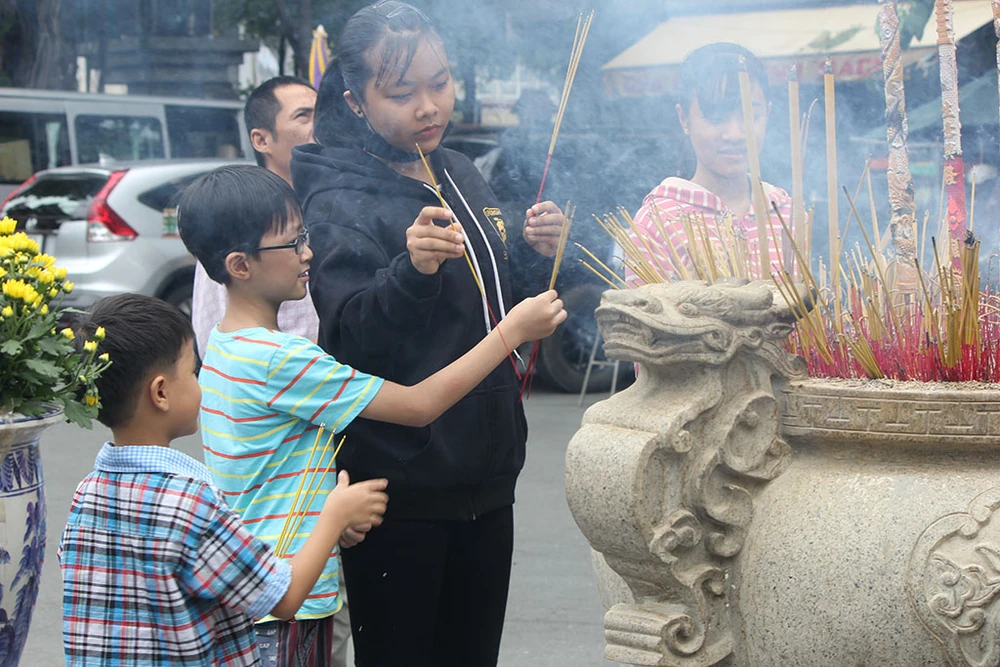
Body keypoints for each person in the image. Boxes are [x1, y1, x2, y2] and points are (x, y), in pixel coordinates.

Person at [176, 164, 566, 666]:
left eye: (305, 237)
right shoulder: (283, 361)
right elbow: (419, 404)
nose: (308, 253)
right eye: (291, 245)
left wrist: (329, 513)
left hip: (256, 589)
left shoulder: (225, 349)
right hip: (285, 603)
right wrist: (510, 333)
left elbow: (267, 472)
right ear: (240, 264)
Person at [290, 3, 566, 665]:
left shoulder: (459, 170)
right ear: (355, 101)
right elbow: (351, 339)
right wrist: (410, 269)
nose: (427, 106)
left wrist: (533, 251)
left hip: (488, 472)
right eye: (402, 92)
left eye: (439, 83)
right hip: (399, 488)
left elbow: (486, 303)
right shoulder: (339, 198)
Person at [59, 292, 389, 666]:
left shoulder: (86, 495)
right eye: (192, 371)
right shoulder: (191, 503)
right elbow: (282, 598)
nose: (200, 382)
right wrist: (335, 516)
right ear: (161, 392)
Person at [628, 43, 792, 284]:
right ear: (684, 118)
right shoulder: (657, 223)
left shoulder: (786, 210)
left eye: (750, 116)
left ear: (767, 114)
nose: (735, 134)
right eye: (716, 117)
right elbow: (640, 319)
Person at [192, 75, 320, 357]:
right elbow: (210, 332)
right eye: (304, 116)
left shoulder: (332, 202)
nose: (319, 125)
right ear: (261, 139)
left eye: (321, 113)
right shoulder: (237, 215)